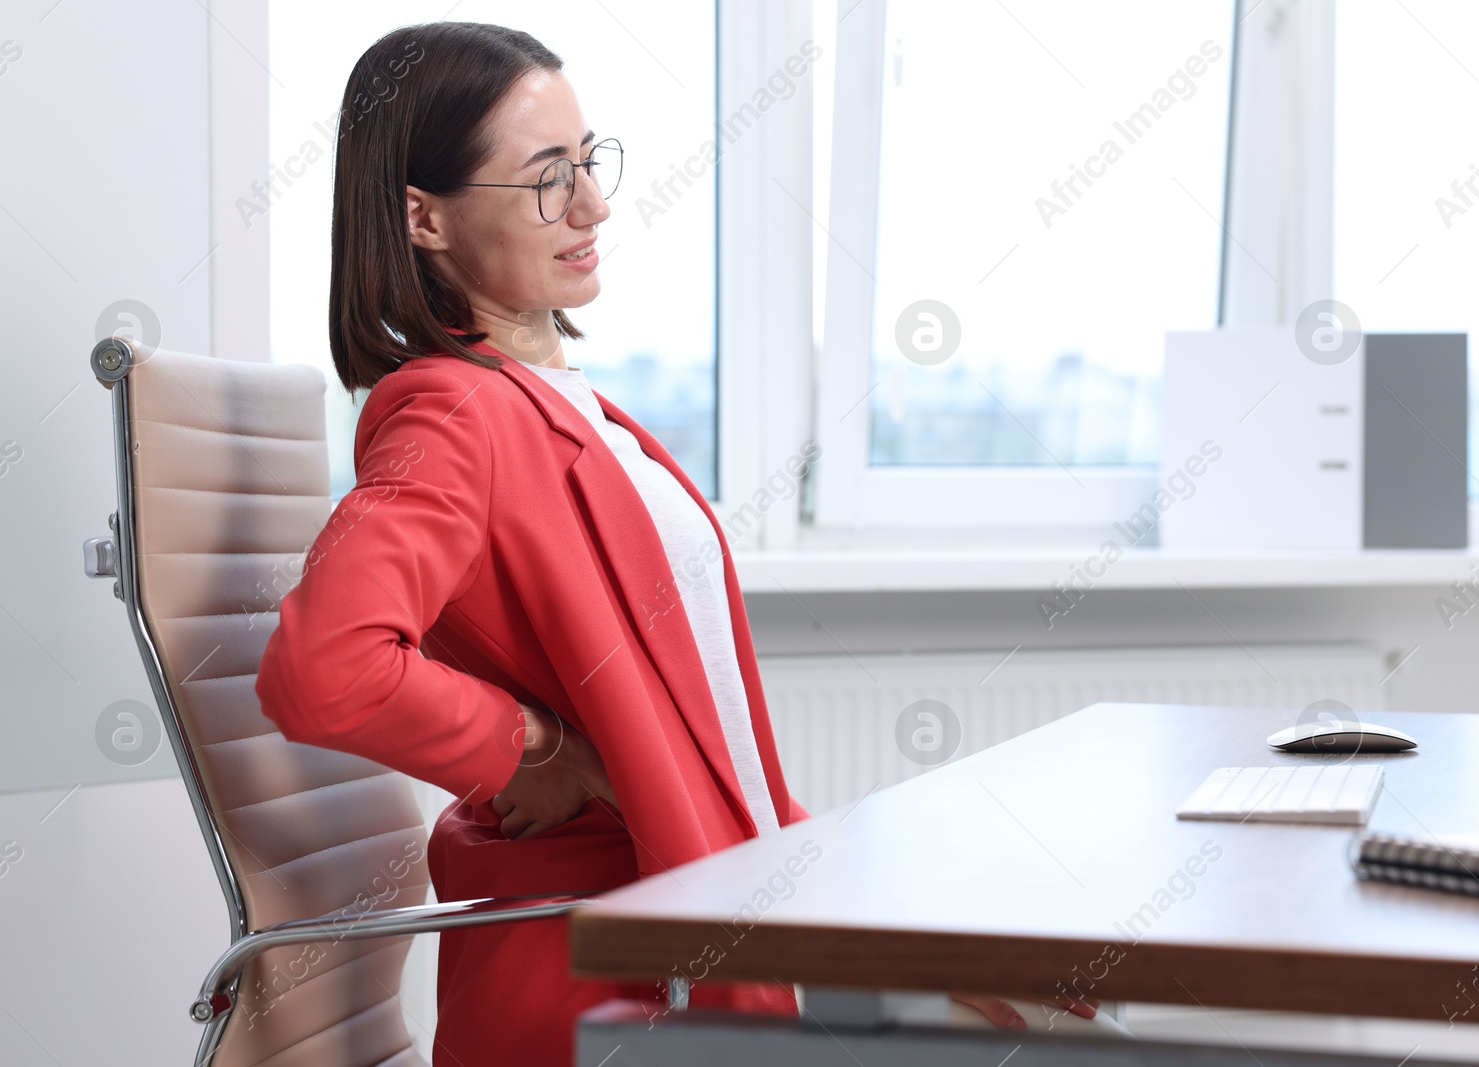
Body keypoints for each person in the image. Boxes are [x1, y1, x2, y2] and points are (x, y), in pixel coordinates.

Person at [254, 20, 1106, 1065]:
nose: (593, 205)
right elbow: (323, 670)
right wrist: (540, 747)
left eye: (589, 162)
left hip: (689, 927)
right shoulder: (450, 416)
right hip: (604, 980)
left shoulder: (568, 409)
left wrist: (896, 933)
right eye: (544, 179)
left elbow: (717, 758)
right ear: (422, 219)